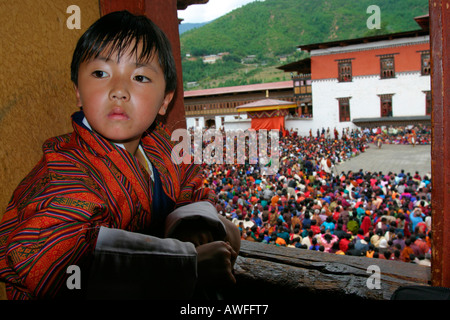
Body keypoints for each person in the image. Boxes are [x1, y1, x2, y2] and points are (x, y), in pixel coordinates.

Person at [0, 11, 240, 300]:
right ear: (78, 91)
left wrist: (194, 222)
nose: (118, 91)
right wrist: (187, 265)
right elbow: (60, 264)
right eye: (101, 73)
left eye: (139, 77)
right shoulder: (63, 172)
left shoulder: (161, 147)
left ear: (165, 101)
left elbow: (190, 187)